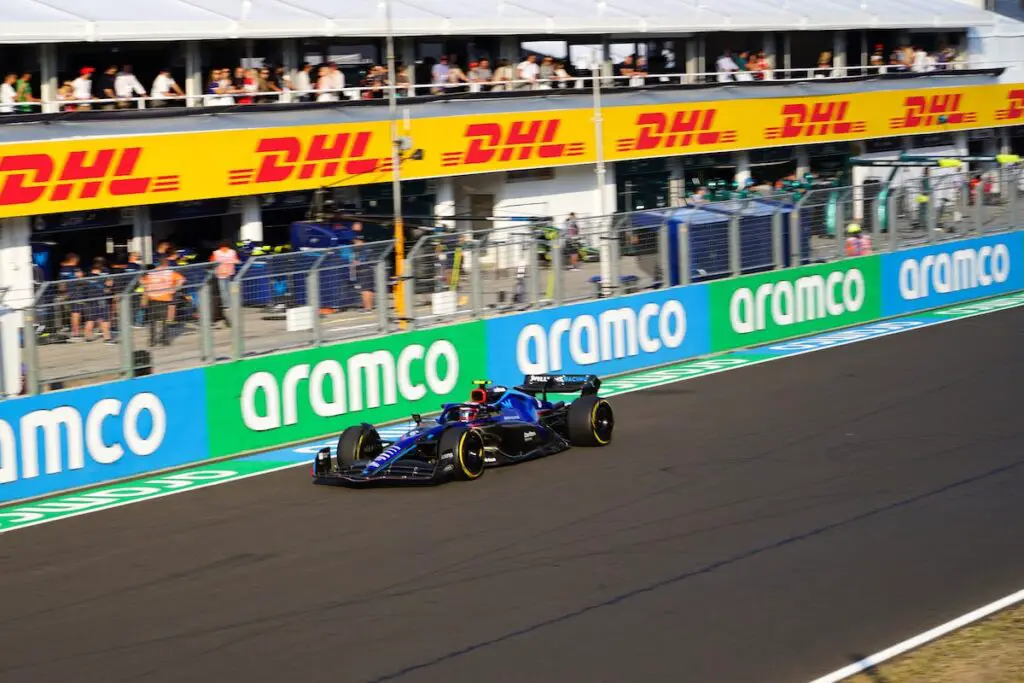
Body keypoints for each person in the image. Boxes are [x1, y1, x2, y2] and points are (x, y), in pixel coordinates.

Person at [142, 255, 185, 346]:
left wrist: (145, 297)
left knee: (152, 321)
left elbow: (144, 283)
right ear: (166, 263)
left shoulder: (151, 273)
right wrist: (174, 289)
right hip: (165, 298)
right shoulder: (170, 273)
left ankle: (152, 340)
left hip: (153, 298)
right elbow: (182, 279)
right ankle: (165, 340)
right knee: (164, 320)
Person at [210, 240, 240, 325]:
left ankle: (227, 305)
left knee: (224, 291)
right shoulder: (232, 252)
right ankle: (231, 304)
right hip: (230, 274)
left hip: (221, 274)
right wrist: (230, 262)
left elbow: (212, 262)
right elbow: (237, 261)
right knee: (231, 290)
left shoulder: (216, 253)